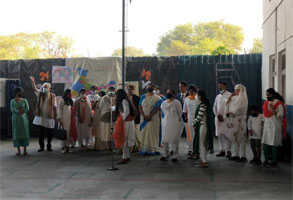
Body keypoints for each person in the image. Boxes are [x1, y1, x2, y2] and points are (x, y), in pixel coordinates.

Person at [30, 76, 57, 152]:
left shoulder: (53, 96)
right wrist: (33, 82)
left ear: (49, 88)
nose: (45, 88)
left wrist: (55, 115)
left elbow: (55, 107)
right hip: (41, 117)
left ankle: (49, 146)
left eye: (46, 87)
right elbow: (35, 89)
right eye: (44, 87)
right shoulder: (40, 94)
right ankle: (41, 147)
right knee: (41, 133)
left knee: (50, 133)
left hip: (49, 117)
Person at [262, 88, 286, 167]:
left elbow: (281, 115)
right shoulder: (266, 103)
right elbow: (264, 114)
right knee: (265, 142)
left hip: (275, 125)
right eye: (266, 95)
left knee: (274, 143)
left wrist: (275, 112)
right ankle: (266, 160)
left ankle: (274, 161)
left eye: (269, 95)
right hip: (267, 125)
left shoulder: (279, 103)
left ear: (273, 95)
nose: (267, 96)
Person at [226, 84, 248, 162]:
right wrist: (229, 98)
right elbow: (228, 104)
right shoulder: (234, 98)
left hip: (241, 120)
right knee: (235, 138)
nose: (235, 91)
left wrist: (232, 112)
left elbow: (240, 109)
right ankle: (236, 155)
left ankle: (243, 156)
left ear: (240, 90)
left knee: (242, 138)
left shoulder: (243, 99)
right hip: (234, 120)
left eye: (237, 90)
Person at [113, 89, 137, 164]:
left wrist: (121, 120)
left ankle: (124, 157)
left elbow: (126, 111)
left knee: (124, 140)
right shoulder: (125, 100)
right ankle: (127, 156)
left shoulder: (124, 101)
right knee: (125, 140)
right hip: (128, 122)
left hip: (126, 122)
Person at [139, 83, 163, 155]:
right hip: (144, 118)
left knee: (153, 134)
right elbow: (140, 107)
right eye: (148, 86)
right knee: (144, 134)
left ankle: (153, 150)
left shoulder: (157, 98)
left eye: (151, 87)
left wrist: (150, 116)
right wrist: (144, 115)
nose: (149, 87)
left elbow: (158, 108)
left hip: (153, 118)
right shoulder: (143, 97)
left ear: (153, 88)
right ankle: (144, 149)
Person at [192, 90, 214, 168]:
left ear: (200, 96)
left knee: (202, 144)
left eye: (197, 95)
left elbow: (199, 117)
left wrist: (193, 123)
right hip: (203, 126)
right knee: (202, 144)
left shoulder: (202, 105)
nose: (196, 97)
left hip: (203, 126)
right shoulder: (205, 104)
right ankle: (202, 160)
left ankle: (204, 162)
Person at [160, 89, 183, 162]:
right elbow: (163, 113)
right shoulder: (163, 103)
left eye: (169, 92)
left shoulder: (177, 102)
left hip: (174, 122)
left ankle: (174, 156)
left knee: (174, 139)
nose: (168, 93)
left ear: (173, 94)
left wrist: (176, 120)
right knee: (165, 139)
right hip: (166, 123)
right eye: (167, 92)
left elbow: (180, 114)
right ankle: (166, 154)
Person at [213, 82, 232, 158]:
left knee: (227, 135)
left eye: (221, 86)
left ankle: (228, 150)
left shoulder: (230, 95)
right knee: (220, 135)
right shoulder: (217, 96)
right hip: (218, 119)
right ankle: (222, 150)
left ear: (225, 86)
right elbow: (214, 107)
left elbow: (231, 107)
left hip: (227, 119)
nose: (219, 87)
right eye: (218, 86)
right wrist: (217, 115)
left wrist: (224, 116)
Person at [10, 87, 30, 156]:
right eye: (20, 92)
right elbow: (13, 109)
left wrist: (22, 111)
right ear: (16, 93)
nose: (21, 93)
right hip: (16, 120)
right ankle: (18, 151)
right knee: (17, 134)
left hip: (24, 119)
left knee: (25, 133)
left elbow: (27, 108)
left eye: (22, 92)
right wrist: (20, 111)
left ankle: (25, 150)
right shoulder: (12, 101)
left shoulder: (25, 100)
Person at [57, 89, 77, 153]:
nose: (70, 94)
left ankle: (68, 147)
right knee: (64, 133)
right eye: (69, 93)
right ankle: (63, 147)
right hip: (63, 120)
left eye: (70, 93)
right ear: (66, 93)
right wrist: (60, 119)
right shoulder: (61, 100)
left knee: (69, 133)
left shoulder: (70, 101)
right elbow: (59, 110)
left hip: (70, 120)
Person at [183, 84, 200, 159]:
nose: (190, 93)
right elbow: (184, 109)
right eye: (189, 92)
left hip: (197, 118)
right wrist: (186, 117)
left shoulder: (198, 98)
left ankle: (197, 150)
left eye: (192, 92)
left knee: (197, 134)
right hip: (189, 118)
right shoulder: (187, 99)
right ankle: (190, 149)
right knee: (190, 134)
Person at [126, 84, 141, 152]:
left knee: (136, 134)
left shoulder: (137, 98)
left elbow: (139, 109)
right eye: (128, 89)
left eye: (131, 89)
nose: (129, 91)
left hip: (136, 118)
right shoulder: (125, 98)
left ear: (133, 90)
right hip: (127, 119)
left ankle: (137, 147)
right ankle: (130, 148)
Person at [176, 81, 189, 146]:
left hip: (187, 117)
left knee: (188, 133)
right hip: (179, 117)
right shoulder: (177, 95)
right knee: (177, 133)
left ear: (185, 87)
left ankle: (189, 148)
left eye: (182, 87)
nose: (180, 88)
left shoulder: (189, 95)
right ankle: (176, 147)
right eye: (179, 87)